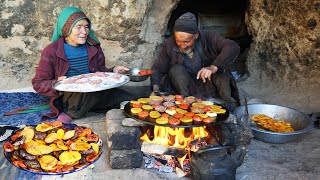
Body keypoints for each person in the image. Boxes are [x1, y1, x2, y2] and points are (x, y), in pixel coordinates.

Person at [32, 7, 134, 123]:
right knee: (86, 91)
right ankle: (71, 112)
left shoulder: (93, 47)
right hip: (72, 96)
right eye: (79, 27)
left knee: (131, 101)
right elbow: (38, 83)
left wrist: (113, 70)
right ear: (66, 29)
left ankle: (87, 108)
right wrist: (57, 83)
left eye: (86, 27)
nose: (84, 32)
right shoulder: (51, 51)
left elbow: (100, 72)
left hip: (96, 91)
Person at [150, 12, 241, 110]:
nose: (182, 45)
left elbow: (233, 47)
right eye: (178, 41)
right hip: (185, 89)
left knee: (221, 70)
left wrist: (214, 66)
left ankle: (224, 106)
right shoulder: (169, 44)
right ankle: (186, 107)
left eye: (186, 41)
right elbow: (158, 69)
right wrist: (155, 89)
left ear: (196, 35)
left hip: (210, 87)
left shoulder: (209, 37)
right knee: (176, 69)